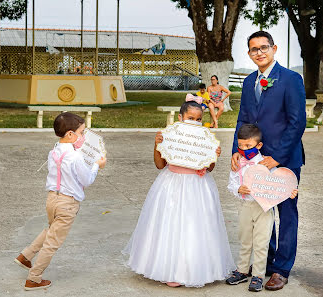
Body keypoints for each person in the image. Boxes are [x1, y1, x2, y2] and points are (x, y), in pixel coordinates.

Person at [123, 100, 236, 288]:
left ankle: (195, 268)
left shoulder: (205, 138)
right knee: (171, 224)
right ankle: (169, 269)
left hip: (198, 186)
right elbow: (160, 165)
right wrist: (157, 144)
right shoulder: (170, 135)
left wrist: (213, 155)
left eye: (198, 119)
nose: (194, 121)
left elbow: (210, 168)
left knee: (195, 226)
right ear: (180, 117)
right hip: (172, 184)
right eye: (190, 118)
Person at [231, 31, 306, 291]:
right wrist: (236, 150)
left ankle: (281, 269)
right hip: (255, 160)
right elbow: (243, 119)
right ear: (249, 53)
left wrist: (278, 157)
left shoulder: (291, 79)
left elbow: (298, 122)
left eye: (264, 47)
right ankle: (267, 261)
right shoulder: (249, 81)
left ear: (274, 49)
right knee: (261, 209)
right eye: (254, 49)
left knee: (286, 214)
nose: (259, 52)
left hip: (285, 159)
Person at [14, 112, 106, 291]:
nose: (83, 137)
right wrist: (97, 165)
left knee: (50, 230)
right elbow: (87, 180)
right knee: (53, 242)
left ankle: (26, 256)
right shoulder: (75, 156)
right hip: (67, 203)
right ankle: (34, 278)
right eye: (81, 132)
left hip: (52, 199)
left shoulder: (55, 150)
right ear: (70, 134)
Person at [225, 124, 298, 292]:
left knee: (261, 242)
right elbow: (232, 183)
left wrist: (290, 192)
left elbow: (278, 185)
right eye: (240, 146)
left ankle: (258, 274)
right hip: (245, 206)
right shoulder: (239, 163)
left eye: (248, 146)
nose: (244, 149)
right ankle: (242, 270)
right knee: (244, 239)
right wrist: (238, 189)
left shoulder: (266, 164)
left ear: (258, 145)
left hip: (264, 209)